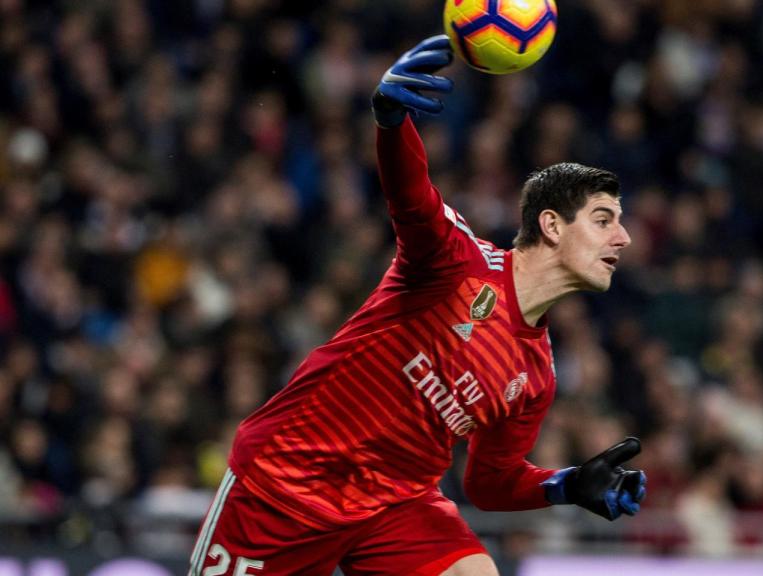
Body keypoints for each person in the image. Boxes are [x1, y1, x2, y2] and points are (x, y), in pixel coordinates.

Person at [188, 35, 647, 576]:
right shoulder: (460, 264)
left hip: (393, 506)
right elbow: (411, 196)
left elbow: (489, 483)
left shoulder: (535, 374)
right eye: (603, 219)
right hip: (289, 482)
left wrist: (565, 484)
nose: (624, 239)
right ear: (550, 225)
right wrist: (391, 121)